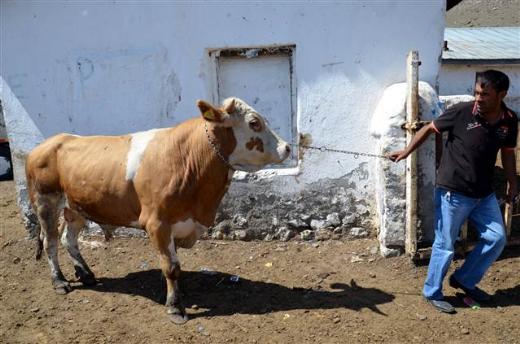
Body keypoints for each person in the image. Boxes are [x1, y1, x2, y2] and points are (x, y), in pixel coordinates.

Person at [388, 70, 518, 313]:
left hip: (484, 193)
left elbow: (508, 153)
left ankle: (464, 280)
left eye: (485, 94)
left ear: (502, 95)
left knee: (496, 238)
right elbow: (429, 130)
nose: (478, 98)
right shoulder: (461, 112)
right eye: (477, 92)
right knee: (445, 244)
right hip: (453, 191)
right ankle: (432, 291)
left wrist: (512, 182)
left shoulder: (509, 120)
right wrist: (406, 151)